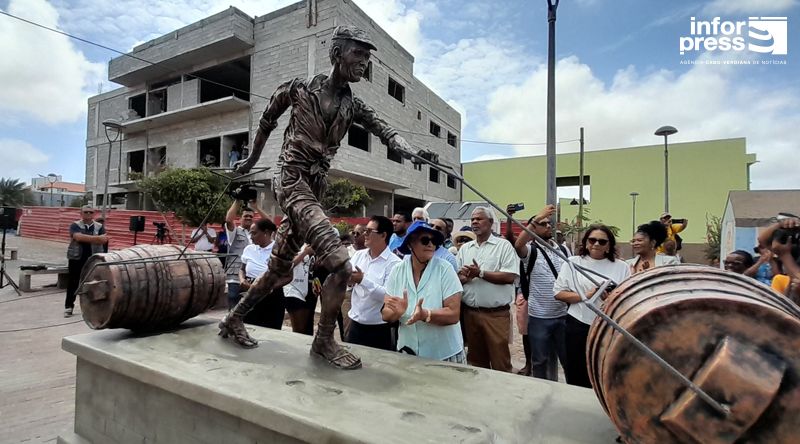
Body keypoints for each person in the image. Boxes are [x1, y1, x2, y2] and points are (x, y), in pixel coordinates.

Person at [219, 26, 418, 370]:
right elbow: (267, 120)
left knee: (278, 271)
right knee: (341, 264)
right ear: (337, 54)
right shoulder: (298, 89)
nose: (364, 63)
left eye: (367, 58)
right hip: (291, 178)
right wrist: (250, 161)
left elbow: (384, 129)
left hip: (315, 186)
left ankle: (232, 319)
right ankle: (324, 340)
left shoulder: (352, 105)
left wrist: (406, 148)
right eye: (359, 54)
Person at [554, 224, 631, 387]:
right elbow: (559, 293)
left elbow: (626, 298)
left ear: (609, 245)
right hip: (578, 323)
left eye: (602, 242)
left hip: (607, 326)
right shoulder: (573, 263)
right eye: (592, 240)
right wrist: (587, 295)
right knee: (575, 368)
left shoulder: (621, 267)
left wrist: (611, 297)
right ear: (586, 242)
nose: (596, 244)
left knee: (603, 370)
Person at [382, 221, 464, 362]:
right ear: (410, 244)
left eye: (434, 241)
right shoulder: (397, 271)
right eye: (425, 240)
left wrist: (426, 314)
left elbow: (453, 314)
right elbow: (385, 314)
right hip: (408, 351)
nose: (430, 244)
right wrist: (396, 312)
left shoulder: (445, 269)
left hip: (443, 354)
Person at [456, 207, 519, 372]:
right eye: (472, 219)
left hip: (495, 315)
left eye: (479, 219)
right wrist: (464, 277)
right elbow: (456, 279)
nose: (475, 222)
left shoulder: (503, 246)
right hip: (470, 314)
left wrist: (481, 273)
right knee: (476, 363)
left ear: (491, 223)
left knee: (500, 363)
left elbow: (509, 276)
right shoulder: (465, 249)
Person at [511, 205, 568, 380]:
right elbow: (518, 244)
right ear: (533, 228)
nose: (548, 226)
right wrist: (535, 220)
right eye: (542, 224)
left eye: (549, 223)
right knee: (540, 361)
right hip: (539, 317)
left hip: (563, 316)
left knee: (568, 361)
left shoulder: (563, 250)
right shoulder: (530, 251)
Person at [346, 216, 401, 350]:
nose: (365, 234)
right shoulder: (359, 255)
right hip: (355, 324)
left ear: (383, 235)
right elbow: (349, 280)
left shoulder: (395, 263)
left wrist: (362, 280)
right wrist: (348, 280)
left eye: (370, 231)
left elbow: (388, 296)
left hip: (379, 329)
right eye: (365, 230)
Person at [239, 219, 285, 329]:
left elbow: (289, 276)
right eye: (250, 233)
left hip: (271, 297)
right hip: (249, 293)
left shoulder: (278, 251)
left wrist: (268, 287)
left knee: (269, 330)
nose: (251, 236)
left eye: (254, 233)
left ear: (266, 233)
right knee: (248, 327)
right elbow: (242, 269)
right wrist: (242, 280)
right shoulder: (249, 249)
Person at [64, 206, 108, 317]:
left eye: (91, 212)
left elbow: (105, 242)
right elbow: (78, 238)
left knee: (94, 284)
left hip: (93, 259)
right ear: (81, 213)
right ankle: (68, 307)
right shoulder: (75, 225)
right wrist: (97, 239)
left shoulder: (99, 226)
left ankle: (92, 308)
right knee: (73, 283)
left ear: (94, 214)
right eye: (86, 212)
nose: (88, 214)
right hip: (77, 258)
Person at [223, 200, 267, 309]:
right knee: (234, 308)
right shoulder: (234, 232)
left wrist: (256, 207)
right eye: (246, 216)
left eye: (251, 217)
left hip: (251, 278)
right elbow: (228, 220)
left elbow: (269, 222)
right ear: (240, 218)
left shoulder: (256, 234)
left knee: (249, 309)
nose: (248, 218)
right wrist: (238, 200)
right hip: (235, 277)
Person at [284, 244, 317, 335]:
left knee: (306, 328)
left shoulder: (314, 244)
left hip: (307, 290)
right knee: (299, 329)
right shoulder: (292, 243)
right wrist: (305, 252)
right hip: (293, 289)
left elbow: (311, 269)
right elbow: (288, 265)